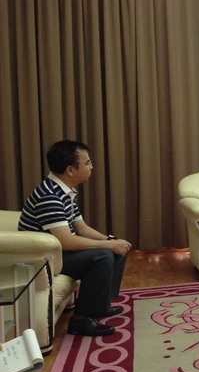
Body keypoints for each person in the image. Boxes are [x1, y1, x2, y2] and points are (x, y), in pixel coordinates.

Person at [19, 140, 131, 336]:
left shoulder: (65, 191)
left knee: (115, 247)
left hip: (58, 252)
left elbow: (82, 228)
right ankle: (81, 320)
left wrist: (111, 240)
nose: (91, 167)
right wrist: (108, 245)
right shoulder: (49, 196)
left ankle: (100, 305)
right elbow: (67, 241)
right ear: (70, 170)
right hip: (44, 259)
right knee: (103, 255)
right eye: (87, 163)